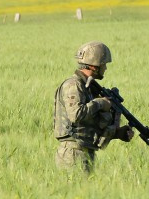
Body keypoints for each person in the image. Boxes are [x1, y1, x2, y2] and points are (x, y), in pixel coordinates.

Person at [54, 41, 134, 173]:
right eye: (104, 64)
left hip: (84, 152)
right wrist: (100, 103)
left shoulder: (90, 88)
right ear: (95, 65)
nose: (106, 68)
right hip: (73, 154)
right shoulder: (74, 85)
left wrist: (117, 133)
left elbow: (89, 126)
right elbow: (76, 115)